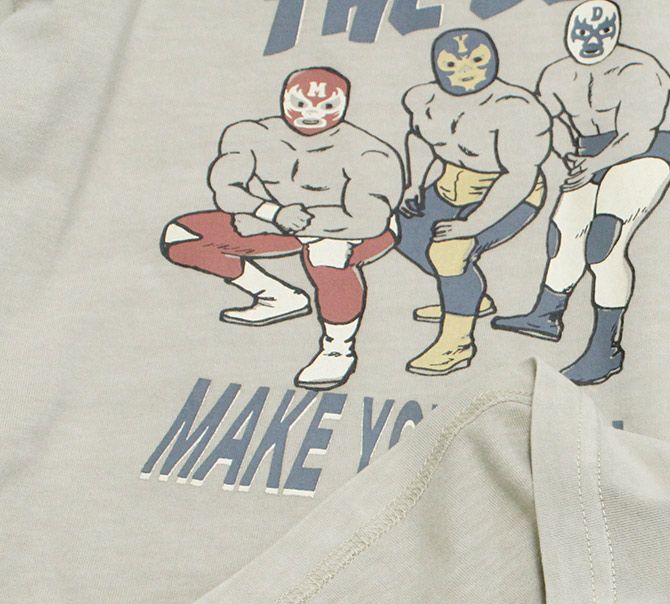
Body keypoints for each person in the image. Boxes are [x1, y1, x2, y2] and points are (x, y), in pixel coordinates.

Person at [161, 67, 403, 390]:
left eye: (325, 107)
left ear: (343, 104)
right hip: (279, 220)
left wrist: (300, 221)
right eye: (301, 104)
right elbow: (226, 189)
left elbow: (369, 219)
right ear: (285, 98)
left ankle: (338, 347)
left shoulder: (369, 152)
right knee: (181, 237)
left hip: (351, 228)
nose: (312, 115)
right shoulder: (251, 135)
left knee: (327, 255)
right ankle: (278, 297)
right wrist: (273, 213)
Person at [492, 1, 670, 386]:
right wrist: (570, 156)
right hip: (587, 155)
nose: (591, 41)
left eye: (601, 32)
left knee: (604, 241)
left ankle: (605, 348)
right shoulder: (558, 74)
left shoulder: (639, 71)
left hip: (644, 153)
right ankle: (547, 314)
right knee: (565, 231)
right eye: (582, 32)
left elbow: (639, 135)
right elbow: (547, 121)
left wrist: (592, 165)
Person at [396, 28, 552, 377]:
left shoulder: (516, 109)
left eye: (476, 61)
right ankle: (468, 295)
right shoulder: (423, 99)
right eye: (452, 64)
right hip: (451, 184)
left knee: (450, 252)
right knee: (402, 231)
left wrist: (472, 226)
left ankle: (457, 342)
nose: (465, 71)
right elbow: (419, 139)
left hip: (507, 192)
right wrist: (414, 184)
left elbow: (519, 177)